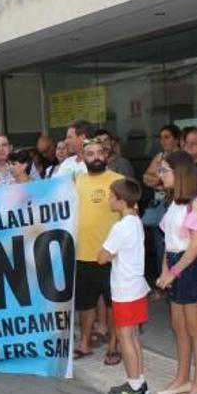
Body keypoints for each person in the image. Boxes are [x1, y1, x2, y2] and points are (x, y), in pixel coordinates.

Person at [155, 150, 197, 394]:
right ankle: (182, 378)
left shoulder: (195, 203)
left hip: (189, 270)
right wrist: (163, 271)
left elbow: (194, 246)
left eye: (164, 170)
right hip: (174, 265)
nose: (160, 175)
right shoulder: (173, 202)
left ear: (179, 172)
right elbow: (168, 243)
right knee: (179, 327)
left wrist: (172, 272)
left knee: (195, 330)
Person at [98, 178, 150, 394]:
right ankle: (139, 381)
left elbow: (101, 257)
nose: (109, 199)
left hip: (124, 289)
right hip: (137, 287)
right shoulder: (136, 221)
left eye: (111, 196)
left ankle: (134, 386)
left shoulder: (120, 226)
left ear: (121, 200)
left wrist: (110, 253)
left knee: (125, 337)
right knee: (133, 336)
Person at [73, 139, 123, 362]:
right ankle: (84, 343)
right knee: (85, 303)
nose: (95, 157)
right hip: (82, 253)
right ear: (83, 158)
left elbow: (130, 216)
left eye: (99, 152)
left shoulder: (118, 181)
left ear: (106, 154)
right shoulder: (76, 182)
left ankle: (113, 346)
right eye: (90, 153)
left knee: (113, 304)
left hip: (111, 255)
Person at [143, 124, 182, 291]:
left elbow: (181, 179)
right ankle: (163, 283)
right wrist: (161, 181)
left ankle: (178, 282)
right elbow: (146, 177)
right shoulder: (160, 156)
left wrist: (161, 181)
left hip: (177, 203)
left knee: (178, 243)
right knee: (161, 245)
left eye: (167, 137)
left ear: (176, 139)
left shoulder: (182, 157)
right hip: (162, 206)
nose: (163, 141)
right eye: (161, 137)